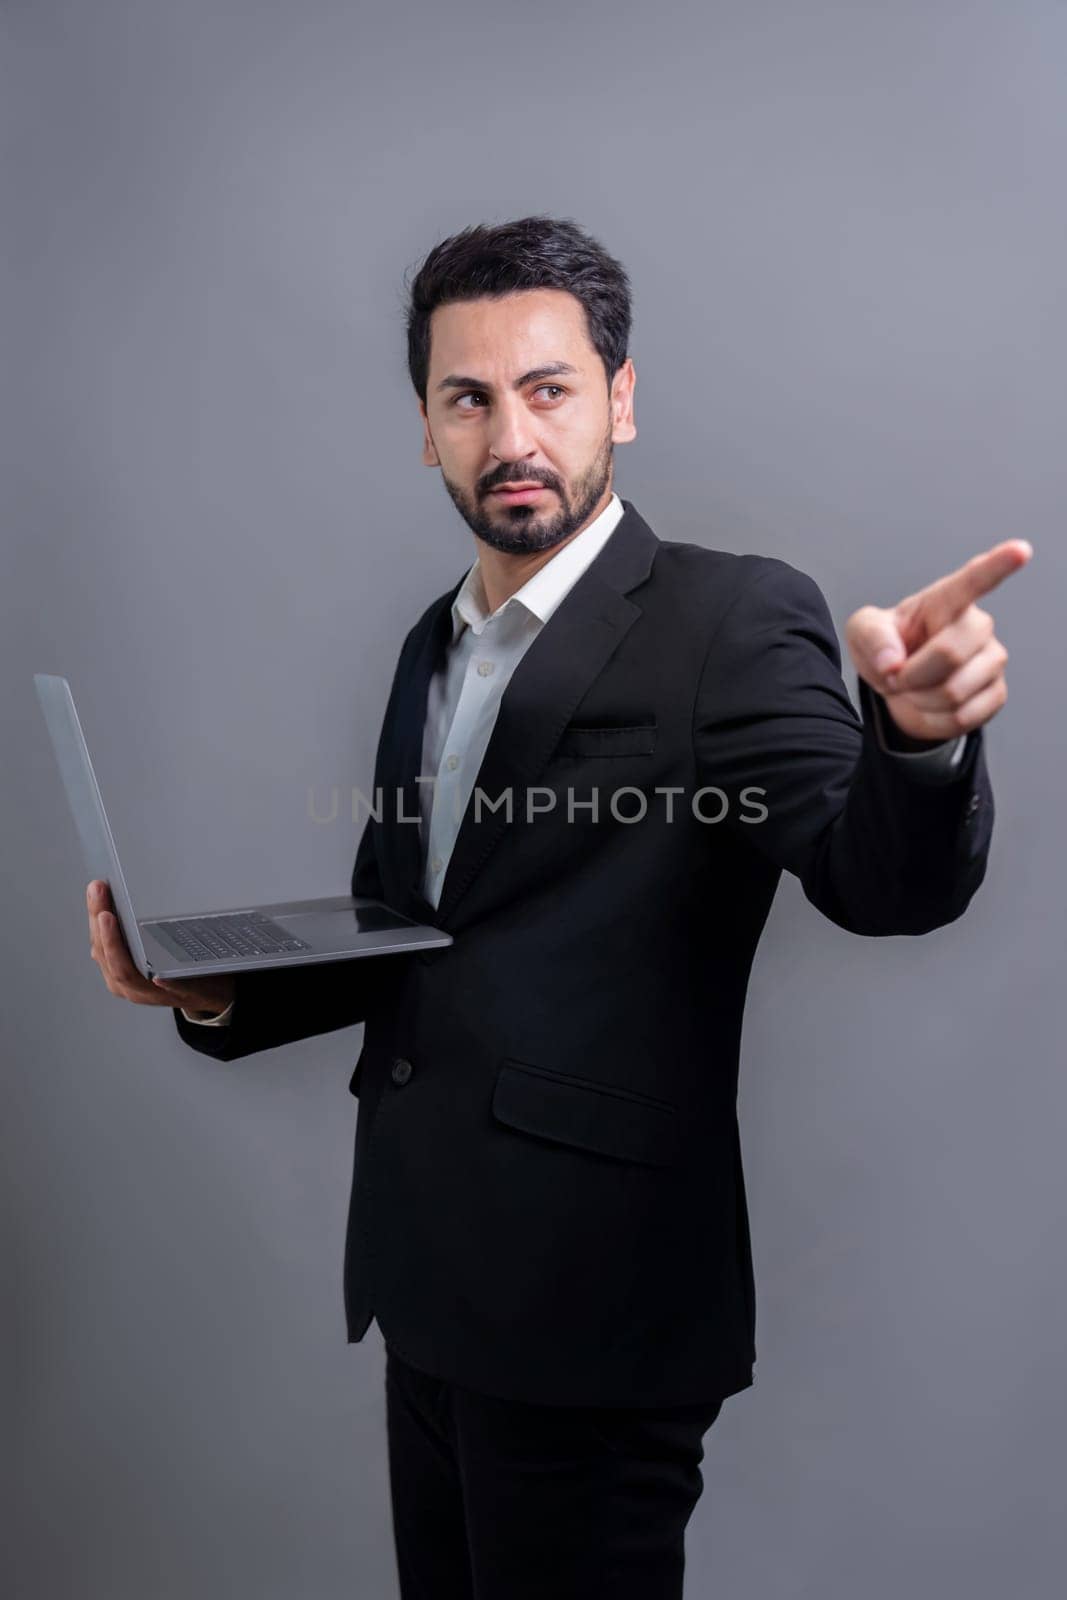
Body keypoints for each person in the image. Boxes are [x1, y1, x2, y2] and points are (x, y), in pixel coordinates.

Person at [86, 215, 1028, 1599]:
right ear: (425, 425)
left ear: (620, 401)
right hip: (426, 1281)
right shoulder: (436, 642)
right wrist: (215, 989)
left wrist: (915, 744)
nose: (509, 433)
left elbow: (876, 881)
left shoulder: (728, 620)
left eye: (548, 389)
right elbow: (408, 923)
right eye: (469, 398)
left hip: (596, 1309)